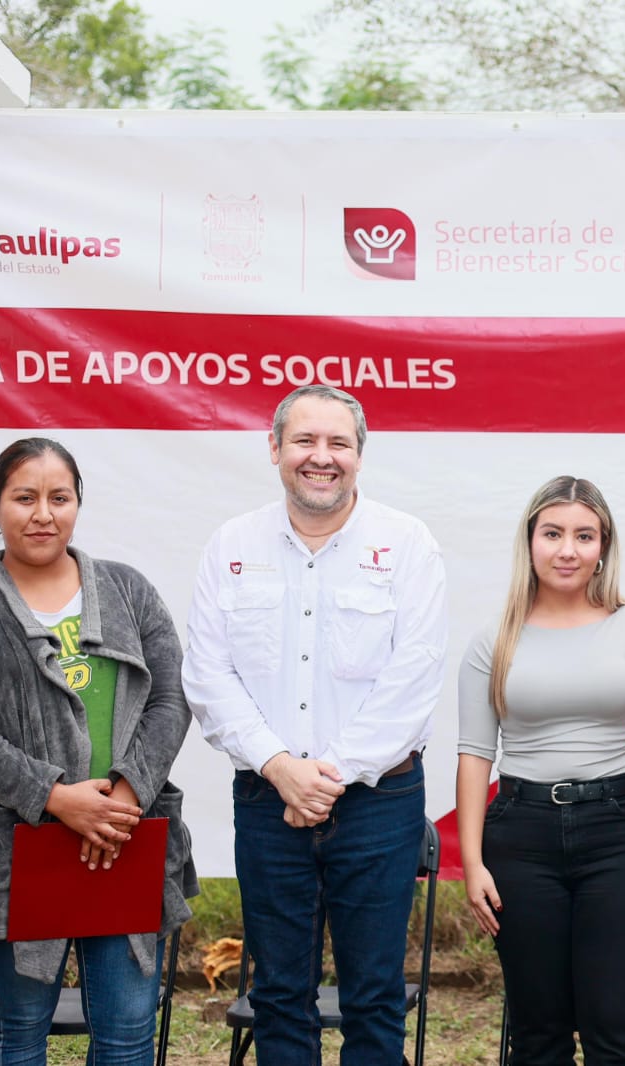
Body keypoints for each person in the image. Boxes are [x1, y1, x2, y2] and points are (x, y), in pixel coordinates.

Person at [182, 385, 447, 1065]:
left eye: (338, 443)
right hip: (267, 801)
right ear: (274, 448)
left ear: (360, 455)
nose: (320, 457)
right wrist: (281, 769)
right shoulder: (232, 545)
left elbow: (414, 677)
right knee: (277, 995)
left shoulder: (406, 544)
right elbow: (208, 675)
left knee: (375, 997)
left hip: (378, 803)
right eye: (304, 441)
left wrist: (324, 779)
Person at [0, 437, 196, 1066]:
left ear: (77, 505)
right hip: (14, 854)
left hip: (125, 837)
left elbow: (171, 698)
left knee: (127, 1036)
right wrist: (58, 798)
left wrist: (123, 797)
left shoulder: (128, 591)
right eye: (25, 497)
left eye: (59, 498)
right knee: (16, 1035)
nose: (43, 514)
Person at [456, 475, 625, 1063]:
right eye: (552, 533)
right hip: (521, 838)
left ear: (603, 546)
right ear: (530, 541)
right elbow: (475, 755)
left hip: (618, 833)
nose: (568, 550)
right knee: (538, 1032)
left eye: (585, 535)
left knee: (615, 1028)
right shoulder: (493, 640)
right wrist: (473, 862)